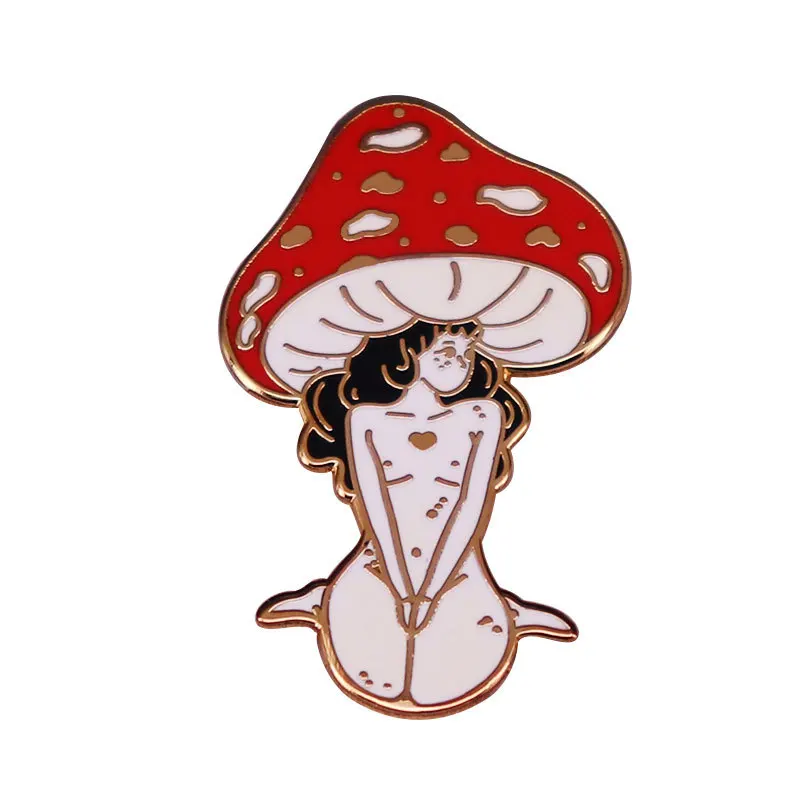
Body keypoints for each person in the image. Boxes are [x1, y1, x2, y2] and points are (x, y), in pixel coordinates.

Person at [258, 319, 577, 713]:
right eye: (447, 353)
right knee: (374, 656)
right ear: (405, 357)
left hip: (458, 559)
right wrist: (402, 585)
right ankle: (326, 599)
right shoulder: (366, 420)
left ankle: (503, 609)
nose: (461, 364)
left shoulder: (482, 416)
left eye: (467, 354)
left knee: (452, 662)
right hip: (382, 559)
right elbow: (376, 510)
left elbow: (470, 504)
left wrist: (431, 590)